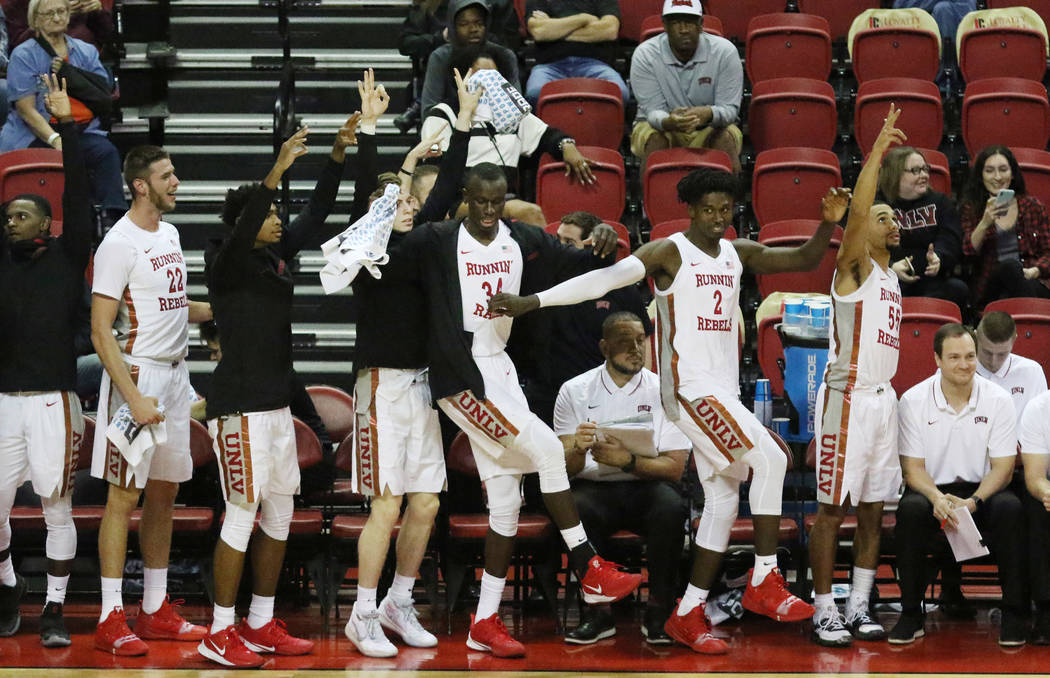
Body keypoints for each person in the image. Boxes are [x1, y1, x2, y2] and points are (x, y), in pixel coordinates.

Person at [489, 168, 848, 654]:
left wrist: (828, 224)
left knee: (722, 500)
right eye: (708, 209)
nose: (718, 218)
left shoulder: (736, 252)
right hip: (689, 392)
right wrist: (533, 301)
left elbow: (804, 257)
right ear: (691, 209)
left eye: (726, 209)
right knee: (774, 460)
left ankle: (687, 613)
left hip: (723, 390)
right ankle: (765, 578)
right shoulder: (669, 252)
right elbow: (604, 278)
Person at [378, 161, 641, 657]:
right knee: (546, 452)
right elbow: (387, 265)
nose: (488, 211)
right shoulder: (438, 239)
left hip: (501, 371)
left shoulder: (521, 238)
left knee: (506, 502)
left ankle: (485, 620)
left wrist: (604, 238)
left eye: (496, 202)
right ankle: (589, 566)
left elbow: (575, 260)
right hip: (461, 379)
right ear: (465, 197)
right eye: (479, 201)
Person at [195, 113, 362, 666]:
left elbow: (316, 216)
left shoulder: (274, 256)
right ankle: (220, 630)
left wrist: (337, 154)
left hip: (273, 408)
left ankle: (261, 621)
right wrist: (278, 168)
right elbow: (245, 229)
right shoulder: (225, 262)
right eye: (268, 212)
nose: (277, 219)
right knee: (240, 515)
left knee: (280, 514)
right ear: (246, 219)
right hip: (238, 409)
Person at [342, 69, 477, 659]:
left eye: (409, 201)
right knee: (386, 504)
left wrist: (464, 125)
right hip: (379, 387)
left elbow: (446, 189)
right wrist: (372, 130)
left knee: (425, 502)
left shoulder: (424, 245)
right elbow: (365, 200)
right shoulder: (363, 249)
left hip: (422, 387)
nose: (404, 205)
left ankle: (399, 600)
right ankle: (362, 611)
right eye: (392, 201)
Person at [89, 144, 213, 656]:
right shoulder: (117, 244)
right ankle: (109, 615)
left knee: (165, 492)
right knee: (123, 497)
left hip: (176, 378)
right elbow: (100, 332)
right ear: (141, 185)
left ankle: (156, 607)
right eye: (167, 176)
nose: (177, 181)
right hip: (136, 375)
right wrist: (133, 396)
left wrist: (237, 304)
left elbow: (177, 308)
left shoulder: (171, 233)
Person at [806, 107, 907, 648]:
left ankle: (859, 605)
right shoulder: (854, 269)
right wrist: (875, 156)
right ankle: (824, 609)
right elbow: (860, 210)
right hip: (846, 399)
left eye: (895, 218)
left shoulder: (891, 278)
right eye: (882, 216)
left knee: (873, 510)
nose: (890, 222)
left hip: (882, 403)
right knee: (830, 511)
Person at [0, 75, 90, 648]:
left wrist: (65, 128)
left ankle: (54, 609)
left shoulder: (68, 253)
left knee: (58, 507)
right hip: (4, 401)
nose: (11, 222)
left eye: (21, 215)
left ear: (46, 222)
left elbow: (78, 194)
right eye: (6, 216)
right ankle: (8, 583)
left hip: (55, 400)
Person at [554, 312, 689, 645]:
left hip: (647, 487)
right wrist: (577, 450)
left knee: (671, 507)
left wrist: (626, 461)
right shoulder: (574, 391)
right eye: (624, 340)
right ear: (604, 346)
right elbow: (563, 469)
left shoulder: (664, 390)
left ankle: (659, 613)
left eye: (640, 339)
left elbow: (674, 467)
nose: (635, 348)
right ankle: (597, 616)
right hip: (594, 488)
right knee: (575, 509)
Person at [892, 323, 1027, 646]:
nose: (965, 364)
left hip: (983, 492)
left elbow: (1004, 468)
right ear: (937, 359)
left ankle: (1014, 614)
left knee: (1011, 508)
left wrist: (974, 501)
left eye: (969, 356)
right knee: (910, 511)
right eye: (954, 357)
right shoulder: (913, 400)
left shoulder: (998, 399)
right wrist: (937, 498)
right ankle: (911, 613)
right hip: (931, 491)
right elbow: (912, 469)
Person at [421, 44, 594, 227]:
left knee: (531, 213)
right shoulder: (442, 114)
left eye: (494, 76)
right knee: (526, 211)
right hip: (460, 201)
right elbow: (434, 169)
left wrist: (567, 146)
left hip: (504, 197)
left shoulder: (511, 114)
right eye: (480, 74)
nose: (487, 82)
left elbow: (548, 136)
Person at [0, 0, 126, 231]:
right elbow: (27, 110)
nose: (57, 18)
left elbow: (101, 93)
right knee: (67, 155)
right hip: (37, 133)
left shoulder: (85, 51)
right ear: (35, 20)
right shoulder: (24, 55)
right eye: (49, 14)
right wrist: (54, 139)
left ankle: (113, 219)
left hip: (81, 129)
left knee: (106, 152)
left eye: (61, 12)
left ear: (69, 16)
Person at [523, 210, 652, 425]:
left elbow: (643, 339)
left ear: (594, 245)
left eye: (569, 242)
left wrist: (639, 390)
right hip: (548, 395)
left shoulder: (620, 286)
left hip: (601, 395)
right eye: (557, 240)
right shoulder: (545, 280)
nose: (560, 248)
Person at [628, 0, 742, 172]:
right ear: (664, 25)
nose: (683, 29)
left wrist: (708, 113)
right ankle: (650, 198)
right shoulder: (645, 54)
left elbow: (730, 110)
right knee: (655, 140)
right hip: (660, 126)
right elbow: (652, 111)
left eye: (689, 22)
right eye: (675, 22)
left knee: (725, 138)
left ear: (701, 24)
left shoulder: (725, 52)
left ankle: (731, 199)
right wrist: (668, 121)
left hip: (711, 125)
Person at [878, 146, 968, 311]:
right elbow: (864, 247)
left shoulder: (940, 202)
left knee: (957, 289)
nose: (924, 175)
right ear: (895, 174)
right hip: (889, 282)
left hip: (931, 281)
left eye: (925, 169)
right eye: (915, 171)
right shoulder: (878, 205)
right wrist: (889, 267)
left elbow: (950, 238)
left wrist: (939, 258)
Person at [961, 145, 1050, 307]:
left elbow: (1048, 252)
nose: (997, 177)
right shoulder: (972, 209)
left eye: (1003, 170)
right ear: (980, 176)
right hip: (992, 288)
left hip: (1031, 280)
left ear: (1013, 174)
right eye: (989, 171)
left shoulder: (1033, 206)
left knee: (1024, 283)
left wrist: (1035, 271)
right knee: (1010, 266)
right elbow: (967, 253)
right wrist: (985, 223)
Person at [420, 0, 519, 114]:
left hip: (498, 126)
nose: (473, 29)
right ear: (453, 27)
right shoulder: (440, 57)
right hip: (452, 125)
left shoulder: (505, 55)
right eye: (464, 24)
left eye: (479, 23)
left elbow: (517, 109)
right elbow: (429, 111)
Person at [523, 0, 628, 104]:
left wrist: (554, 30)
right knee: (535, 93)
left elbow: (609, 30)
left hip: (596, 64)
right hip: (549, 66)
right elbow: (540, 32)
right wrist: (583, 18)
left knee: (619, 93)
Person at [975, 310, 1047, 425]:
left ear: (1014, 340)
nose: (993, 362)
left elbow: (1044, 425)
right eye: (987, 352)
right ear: (975, 337)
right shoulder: (953, 372)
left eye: (1001, 354)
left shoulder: (1032, 372)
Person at [1020, 387, 1050, 644]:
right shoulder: (1039, 408)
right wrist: (1048, 493)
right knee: (1038, 507)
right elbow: (1035, 478)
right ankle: (1046, 610)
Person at [5, 0, 114, 51]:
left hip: (82, 63)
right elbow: (17, 44)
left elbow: (107, 37)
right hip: (37, 64)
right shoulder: (16, 3)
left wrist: (99, 11)